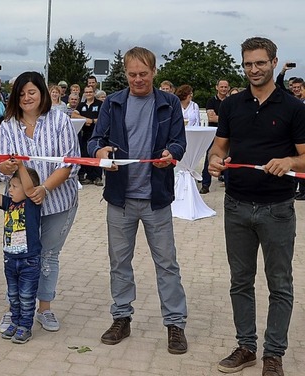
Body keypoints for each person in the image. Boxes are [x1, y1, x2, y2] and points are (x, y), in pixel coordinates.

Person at [208, 37, 305, 376]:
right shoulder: (232, 105)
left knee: (280, 284)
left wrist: (289, 160)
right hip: (236, 207)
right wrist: (215, 161)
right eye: (248, 63)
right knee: (240, 281)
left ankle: (274, 355)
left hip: (277, 209)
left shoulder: (294, 107)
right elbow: (217, 149)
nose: (254, 69)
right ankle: (246, 347)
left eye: (260, 63)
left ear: (274, 63)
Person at [88, 46, 188, 355]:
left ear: (154, 72)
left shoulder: (169, 103)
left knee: (167, 264)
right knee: (119, 263)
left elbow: (179, 141)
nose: (138, 80)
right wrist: (99, 152)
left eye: (143, 74)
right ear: (126, 74)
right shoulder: (113, 103)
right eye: (132, 74)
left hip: (156, 198)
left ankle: (175, 324)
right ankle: (121, 317)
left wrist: (172, 153)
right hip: (120, 198)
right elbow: (96, 140)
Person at [0, 71, 80, 333]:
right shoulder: (7, 125)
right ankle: (16, 309)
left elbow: (70, 164)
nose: (26, 98)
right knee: (18, 256)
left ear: (43, 92)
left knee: (48, 256)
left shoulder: (60, 120)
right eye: (21, 94)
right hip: (21, 209)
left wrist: (44, 188)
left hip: (58, 202)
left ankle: (44, 309)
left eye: (31, 92)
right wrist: (7, 168)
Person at [0, 162, 41, 344]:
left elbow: (28, 187)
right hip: (10, 260)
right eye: (10, 186)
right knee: (13, 297)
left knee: (26, 297)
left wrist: (21, 167)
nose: (10, 190)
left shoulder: (32, 204)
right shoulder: (9, 204)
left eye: (14, 186)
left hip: (29, 261)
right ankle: (15, 323)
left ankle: (25, 326)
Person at [200, 79, 230, 194]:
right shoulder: (211, 101)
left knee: (227, 159)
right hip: (213, 134)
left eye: (225, 87)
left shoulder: (231, 101)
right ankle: (205, 184)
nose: (223, 89)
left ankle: (228, 185)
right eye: (221, 86)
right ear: (216, 87)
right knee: (209, 158)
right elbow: (211, 118)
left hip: (227, 135)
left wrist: (220, 118)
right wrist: (227, 118)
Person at [73, 85, 104, 185]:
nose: (88, 94)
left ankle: (97, 177)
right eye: (86, 92)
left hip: (96, 133)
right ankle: (89, 176)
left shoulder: (99, 104)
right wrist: (85, 119)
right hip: (85, 134)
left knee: (96, 154)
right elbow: (74, 114)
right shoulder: (81, 105)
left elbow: (104, 117)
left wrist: (93, 121)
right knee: (85, 154)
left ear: (94, 93)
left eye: (90, 92)